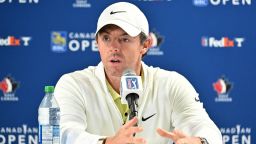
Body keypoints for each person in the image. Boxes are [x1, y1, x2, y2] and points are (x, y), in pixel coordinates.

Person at [54, 2, 222, 144]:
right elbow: (65, 134)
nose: (114, 48)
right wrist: (106, 142)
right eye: (106, 38)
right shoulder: (73, 84)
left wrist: (201, 141)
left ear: (145, 45)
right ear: (97, 42)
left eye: (124, 39)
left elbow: (205, 128)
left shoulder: (171, 84)